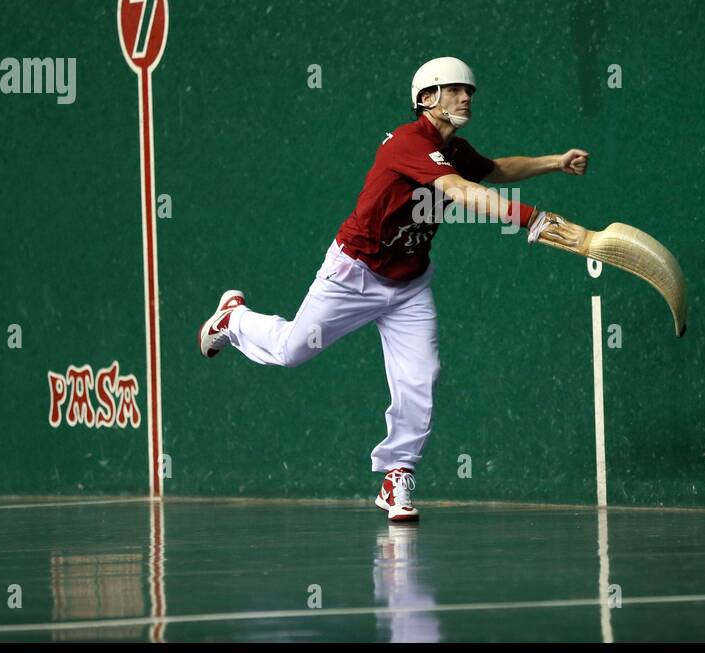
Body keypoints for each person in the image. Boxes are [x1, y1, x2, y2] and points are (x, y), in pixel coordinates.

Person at [198, 56, 589, 521]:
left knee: (420, 378)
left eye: (470, 90)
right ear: (426, 99)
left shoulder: (455, 150)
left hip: (409, 284)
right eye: (453, 89)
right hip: (355, 273)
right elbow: (462, 193)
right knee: (292, 350)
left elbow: (496, 169)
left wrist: (555, 163)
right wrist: (532, 219)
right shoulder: (408, 143)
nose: (466, 97)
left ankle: (397, 475)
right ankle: (234, 319)